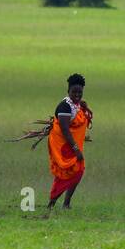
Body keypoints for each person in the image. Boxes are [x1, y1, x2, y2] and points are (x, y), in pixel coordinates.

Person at [47, 74, 92, 211]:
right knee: (66, 174)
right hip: (63, 146)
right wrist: (75, 148)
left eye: (80, 92)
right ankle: (52, 203)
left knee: (77, 172)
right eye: (74, 92)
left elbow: (75, 127)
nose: (77, 94)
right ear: (68, 91)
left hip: (72, 144)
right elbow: (65, 131)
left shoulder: (77, 105)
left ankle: (66, 204)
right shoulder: (64, 107)